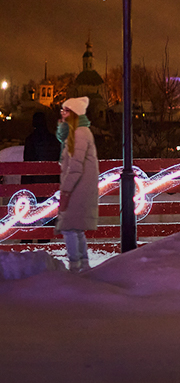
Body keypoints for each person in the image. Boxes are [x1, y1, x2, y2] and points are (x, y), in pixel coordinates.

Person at [55, 97, 99, 273]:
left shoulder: (80, 134)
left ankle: (76, 267)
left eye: (65, 111)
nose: (62, 114)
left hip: (77, 189)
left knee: (69, 228)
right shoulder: (79, 132)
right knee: (75, 228)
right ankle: (83, 265)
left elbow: (75, 167)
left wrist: (65, 191)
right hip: (80, 188)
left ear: (73, 113)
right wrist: (62, 130)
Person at [22, 111, 61, 184]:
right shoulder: (53, 139)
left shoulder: (31, 139)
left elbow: (28, 160)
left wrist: (25, 183)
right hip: (52, 178)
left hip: (35, 179)